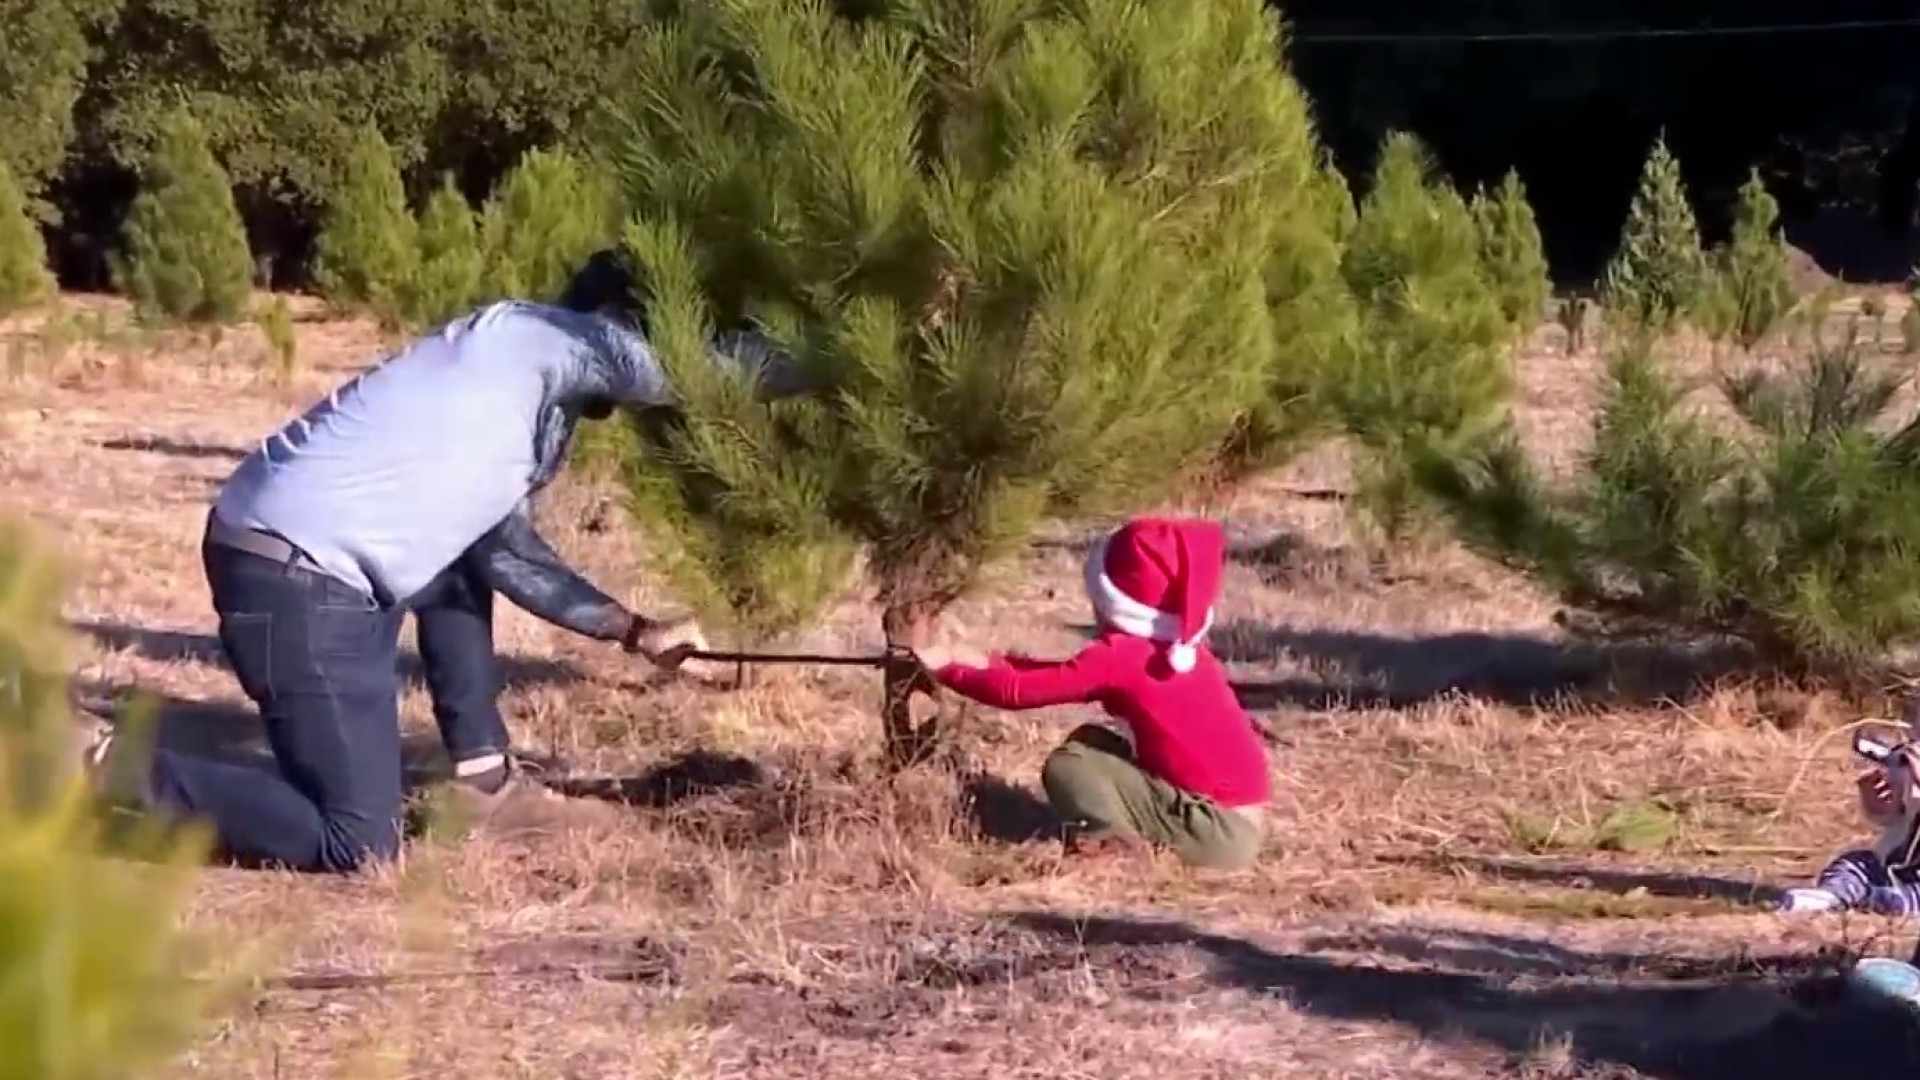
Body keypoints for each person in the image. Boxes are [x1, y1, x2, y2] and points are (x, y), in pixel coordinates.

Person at [75, 256, 791, 874]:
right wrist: (857, 351)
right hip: (294, 576)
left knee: (458, 561)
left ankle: (481, 782)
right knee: (356, 841)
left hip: (313, 564)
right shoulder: (533, 344)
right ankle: (98, 761)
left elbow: (498, 551)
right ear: (614, 326)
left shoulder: (515, 384)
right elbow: (709, 372)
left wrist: (637, 632)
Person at [915, 516, 1272, 869]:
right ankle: (1123, 835)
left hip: (1215, 833)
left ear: (1115, 601)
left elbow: (1017, 692)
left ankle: (1111, 846)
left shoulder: (1123, 654)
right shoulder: (1178, 649)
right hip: (1238, 825)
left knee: (1071, 764)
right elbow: (1057, 675)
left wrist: (944, 668)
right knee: (1094, 744)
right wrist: (984, 662)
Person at [1778, 736, 1920, 916]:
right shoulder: (1909, 759)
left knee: (1904, 897)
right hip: (1897, 869)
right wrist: (1878, 805)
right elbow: (1900, 819)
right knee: (1855, 863)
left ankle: (1876, 900)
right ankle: (1831, 896)